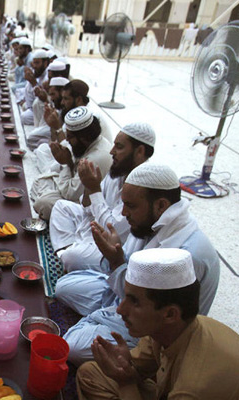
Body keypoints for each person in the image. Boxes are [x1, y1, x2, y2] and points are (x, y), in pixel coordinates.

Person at [56, 163, 220, 365]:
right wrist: (115, 254)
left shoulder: (185, 256)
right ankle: (101, 319)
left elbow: (149, 305)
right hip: (127, 298)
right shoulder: (155, 223)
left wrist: (116, 261)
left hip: (151, 325)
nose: (123, 213)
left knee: (71, 347)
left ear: (161, 205)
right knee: (63, 287)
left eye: (131, 206)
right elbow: (131, 279)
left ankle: (105, 324)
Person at [76, 248, 239, 399]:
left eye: (135, 302)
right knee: (90, 374)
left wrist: (125, 383)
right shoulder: (167, 331)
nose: (120, 309)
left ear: (170, 314)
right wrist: (123, 367)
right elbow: (137, 368)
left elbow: (129, 381)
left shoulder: (191, 389)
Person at [50, 123, 155, 272]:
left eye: (119, 147)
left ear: (140, 151)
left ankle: (68, 255)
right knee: (61, 206)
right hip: (95, 224)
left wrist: (93, 189)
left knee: (73, 257)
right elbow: (87, 206)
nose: (112, 151)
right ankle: (68, 253)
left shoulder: (143, 187)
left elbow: (113, 231)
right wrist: (87, 185)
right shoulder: (118, 171)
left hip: (113, 245)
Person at [30, 107, 112, 220]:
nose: (67, 140)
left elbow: (70, 194)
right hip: (73, 188)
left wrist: (67, 163)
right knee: (39, 181)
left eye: (70, 137)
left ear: (83, 138)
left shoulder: (96, 158)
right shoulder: (86, 144)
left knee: (44, 203)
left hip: (87, 206)